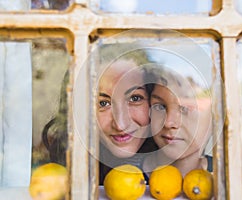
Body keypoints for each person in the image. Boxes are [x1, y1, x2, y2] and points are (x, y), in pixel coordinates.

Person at [42, 43, 158, 185]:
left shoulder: (173, 170)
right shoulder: (61, 177)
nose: (120, 124)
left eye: (135, 98)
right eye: (103, 103)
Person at [143, 66, 213, 177]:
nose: (168, 123)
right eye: (160, 107)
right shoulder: (125, 172)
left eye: (185, 108)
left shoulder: (227, 176)